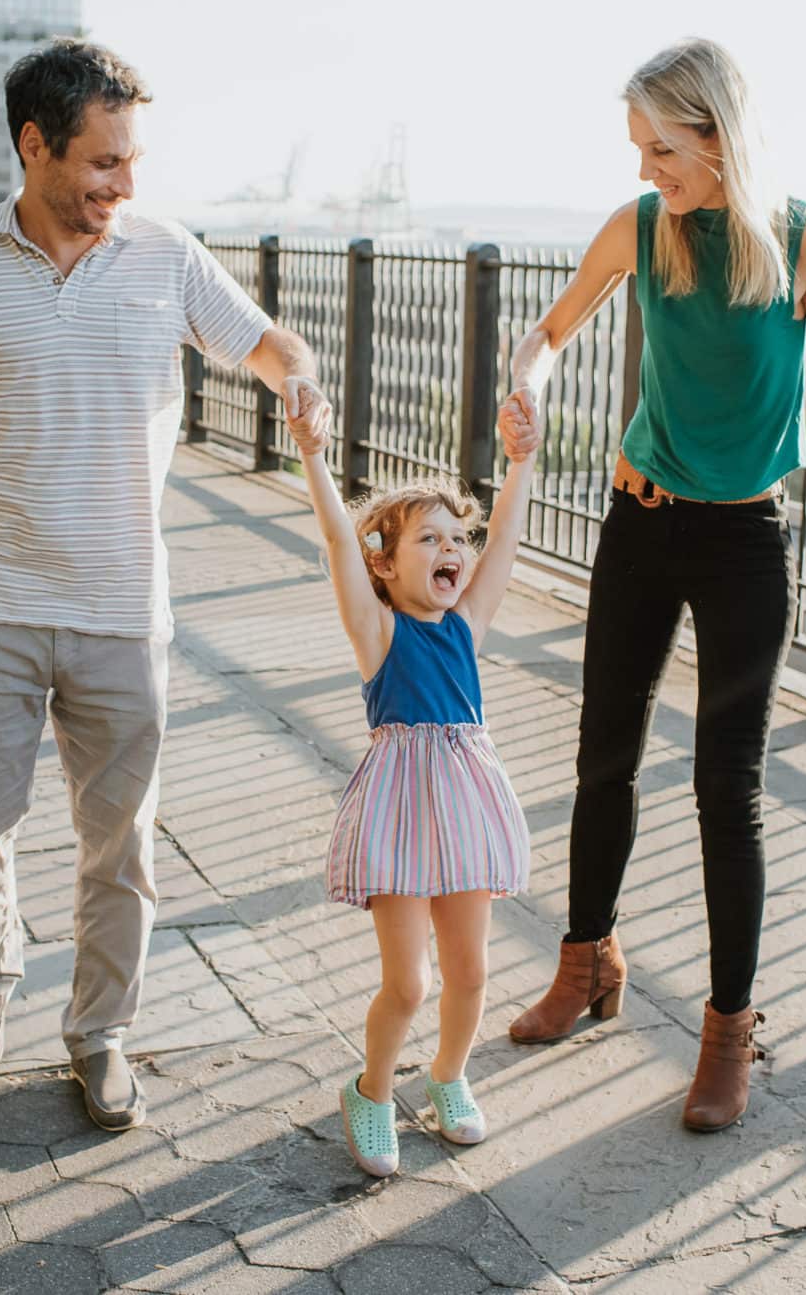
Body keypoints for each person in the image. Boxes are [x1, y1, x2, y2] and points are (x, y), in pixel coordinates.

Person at [0, 39, 329, 1131]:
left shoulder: (165, 256)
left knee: (120, 846)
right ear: (34, 146)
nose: (124, 185)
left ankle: (102, 1034)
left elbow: (271, 349)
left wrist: (298, 380)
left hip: (122, 611)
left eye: (131, 161)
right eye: (104, 163)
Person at [503, 39, 806, 1132]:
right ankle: (584, 962)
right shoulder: (643, 230)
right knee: (602, 758)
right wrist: (524, 384)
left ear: (716, 137)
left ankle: (727, 1031)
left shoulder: (803, 237)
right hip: (637, 524)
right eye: (638, 148)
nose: (644, 169)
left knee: (726, 789)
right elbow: (549, 330)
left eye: (660, 148)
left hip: (743, 546)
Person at [286, 391, 538, 1177]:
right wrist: (313, 454)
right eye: (427, 538)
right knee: (410, 982)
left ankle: (449, 1076)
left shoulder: (467, 625)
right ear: (385, 568)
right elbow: (336, 538)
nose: (450, 548)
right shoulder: (381, 630)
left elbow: (504, 541)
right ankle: (370, 1090)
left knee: (470, 973)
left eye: (454, 536)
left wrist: (522, 461)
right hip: (400, 819)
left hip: (463, 815)